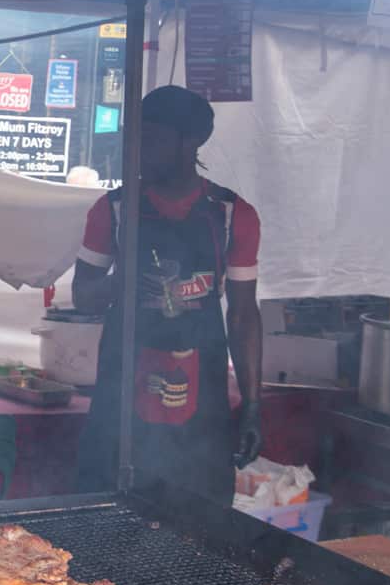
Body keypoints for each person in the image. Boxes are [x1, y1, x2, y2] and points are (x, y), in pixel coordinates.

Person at [72, 85, 263, 504]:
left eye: (153, 140)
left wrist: (251, 404)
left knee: (200, 520)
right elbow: (83, 295)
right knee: (105, 511)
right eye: (137, 138)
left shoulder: (232, 215)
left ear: (189, 142)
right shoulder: (114, 210)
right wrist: (119, 283)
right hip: (121, 397)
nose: (140, 151)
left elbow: (244, 314)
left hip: (203, 402)